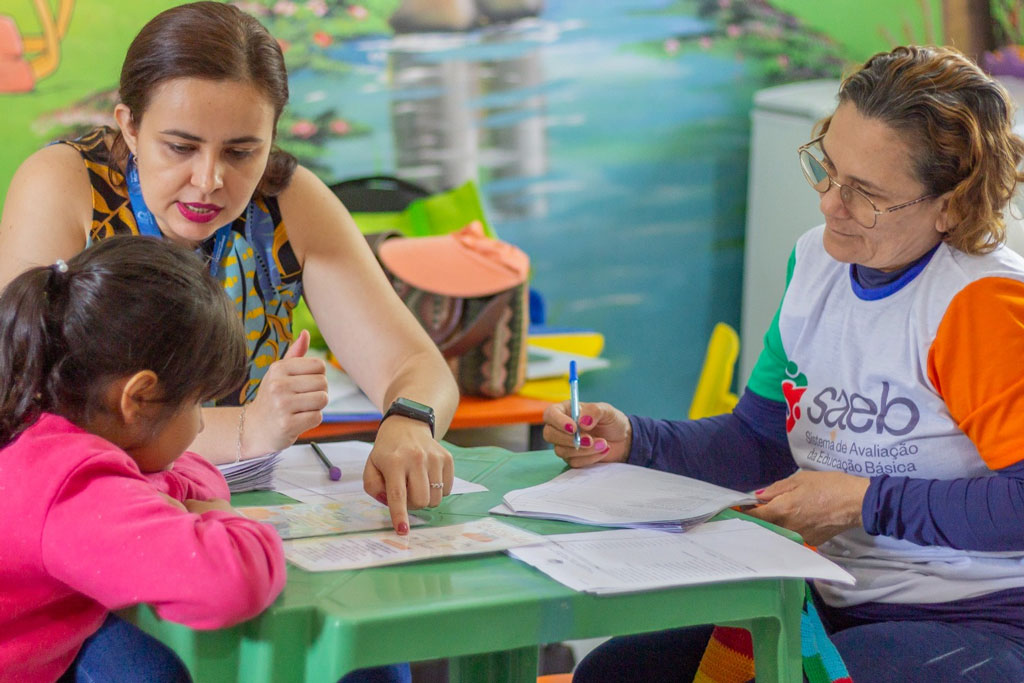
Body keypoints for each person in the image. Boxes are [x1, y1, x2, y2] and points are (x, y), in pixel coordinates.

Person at [543, 45, 1024, 682]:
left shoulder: (982, 304)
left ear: (952, 205)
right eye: (827, 168)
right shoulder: (816, 263)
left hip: (979, 617)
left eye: (867, 194)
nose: (830, 203)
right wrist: (635, 439)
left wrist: (864, 502)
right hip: (829, 598)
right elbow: (758, 444)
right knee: (613, 674)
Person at [0, 1, 459, 537]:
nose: (208, 179)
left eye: (242, 151)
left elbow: (414, 365)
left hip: (243, 507)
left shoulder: (290, 201)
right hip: (85, 510)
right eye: (180, 147)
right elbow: (25, 407)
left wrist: (409, 422)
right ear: (129, 126)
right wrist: (249, 427)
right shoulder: (65, 184)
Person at [0, 237, 286, 682]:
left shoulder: (34, 424)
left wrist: (172, 483)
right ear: (140, 398)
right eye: (199, 404)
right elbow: (233, 582)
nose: (202, 426)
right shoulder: (73, 489)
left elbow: (158, 479)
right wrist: (223, 517)